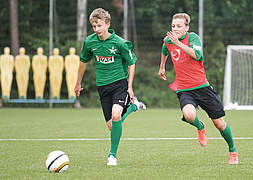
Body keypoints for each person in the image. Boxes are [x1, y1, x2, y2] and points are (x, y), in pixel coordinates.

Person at [158, 13, 238, 164]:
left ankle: (233, 150)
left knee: (219, 123)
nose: (175, 29)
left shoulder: (193, 37)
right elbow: (164, 48)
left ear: (187, 27)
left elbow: (197, 55)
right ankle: (200, 126)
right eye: (173, 26)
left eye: (179, 26)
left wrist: (179, 44)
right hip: (184, 88)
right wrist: (162, 66)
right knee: (188, 115)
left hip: (202, 87)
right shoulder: (169, 40)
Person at [74, 8, 146, 166]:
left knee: (116, 115)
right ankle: (133, 107)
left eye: (99, 25)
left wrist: (130, 86)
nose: (96, 29)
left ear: (107, 24)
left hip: (120, 83)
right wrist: (78, 83)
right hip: (102, 87)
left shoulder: (119, 43)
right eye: (94, 26)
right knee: (112, 125)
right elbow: (83, 62)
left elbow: (132, 63)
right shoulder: (89, 42)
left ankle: (112, 156)